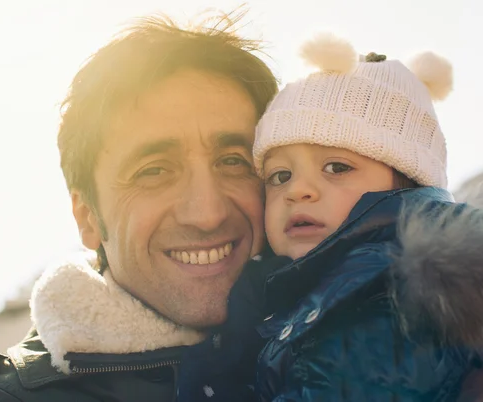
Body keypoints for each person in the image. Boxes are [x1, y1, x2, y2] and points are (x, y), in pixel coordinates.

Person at [0, 10, 278, 402]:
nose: (207, 213)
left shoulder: (338, 345)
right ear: (87, 217)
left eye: (234, 161)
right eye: (153, 171)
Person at [182, 33, 483, 401]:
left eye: (337, 167)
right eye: (280, 176)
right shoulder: (297, 292)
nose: (297, 191)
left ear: (406, 185)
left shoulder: (399, 296)